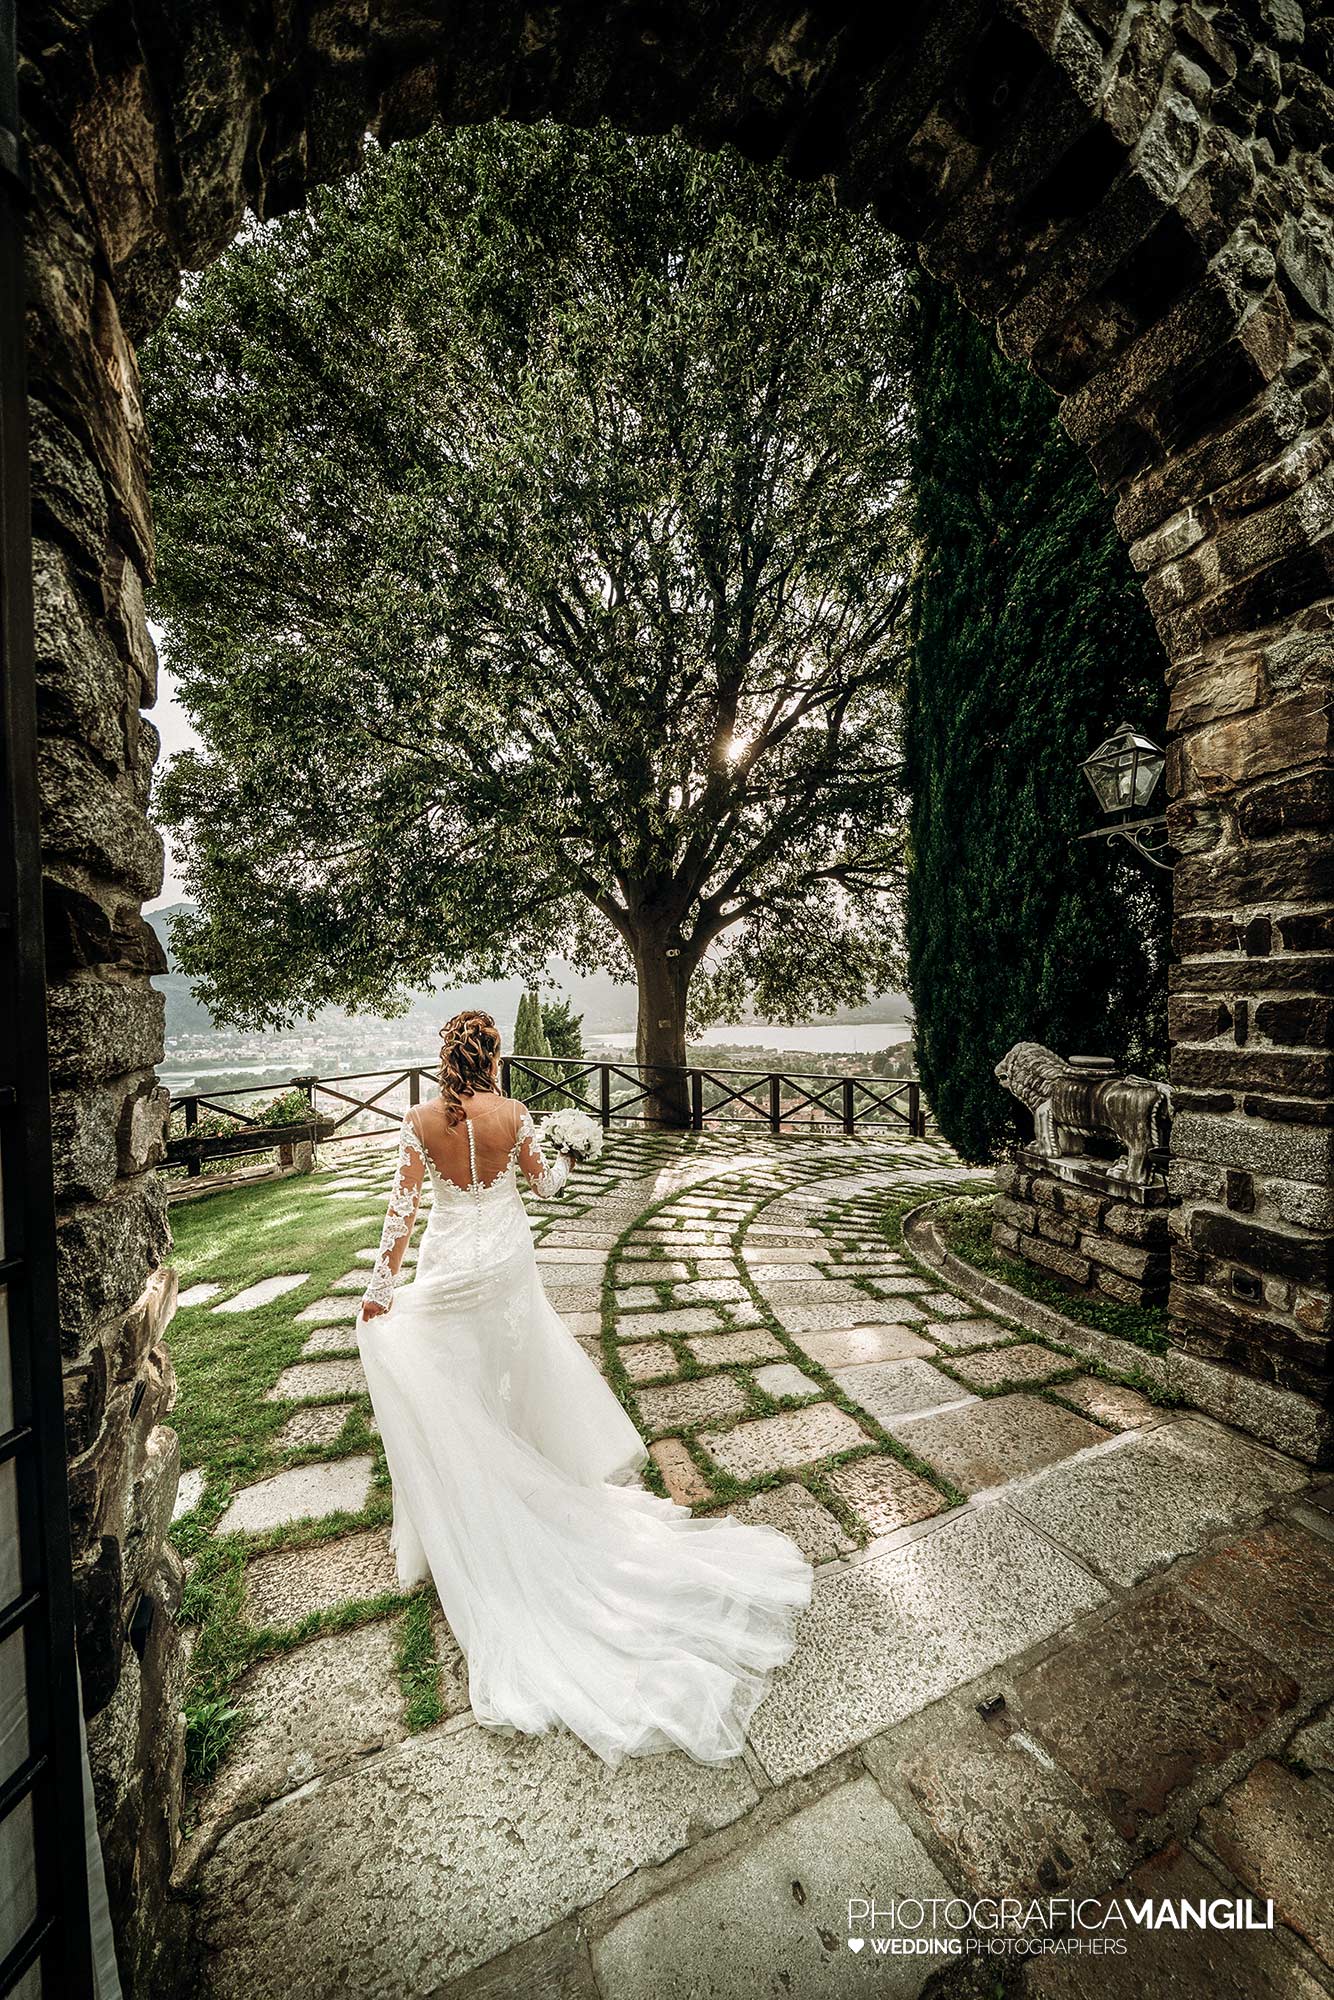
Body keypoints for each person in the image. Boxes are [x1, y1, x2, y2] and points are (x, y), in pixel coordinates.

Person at [357, 1007, 812, 1766]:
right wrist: (569, 1151)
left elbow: (401, 1217)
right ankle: (523, 1467)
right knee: (515, 1372)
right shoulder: (515, 1115)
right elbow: (547, 1187)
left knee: (453, 1382)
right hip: (504, 1267)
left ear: (447, 1058)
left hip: (448, 1266)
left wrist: (381, 1287)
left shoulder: (418, 1120)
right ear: (493, 1059)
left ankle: (480, 1490)